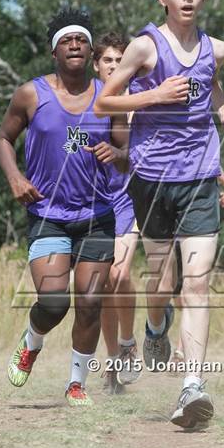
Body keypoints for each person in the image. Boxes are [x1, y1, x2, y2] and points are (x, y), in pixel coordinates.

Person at [94, 0, 224, 427]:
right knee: (161, 281)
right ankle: (155, 327)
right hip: (152, 179)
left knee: (196, 283)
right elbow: (105, 100)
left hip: (201, 175)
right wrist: (154, 96)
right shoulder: (144, 48)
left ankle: (192, 386)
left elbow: (212, 85)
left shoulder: (215, 48)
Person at [0, 8, 127, 406]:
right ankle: (32, 341)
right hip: (48, 216)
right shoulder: (31, 93)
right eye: (66, 40)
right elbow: (3, 139)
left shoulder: (110, 97)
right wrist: (15, 178)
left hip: (96, 217)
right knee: (54, 302)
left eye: (81, 40)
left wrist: (115, 152)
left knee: (89, 304)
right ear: (54, 52)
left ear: (90, 52)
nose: (74, 44)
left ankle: (75, 384)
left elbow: (127, 153)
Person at [91, 32, 141, 394]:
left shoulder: (139, 102)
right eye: (107, 60)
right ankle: (111, 366)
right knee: (104, 283)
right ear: (97, 65)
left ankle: (128, 341)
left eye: (118, 60)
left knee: (120, 276)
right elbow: (69, 141)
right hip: (91, 204)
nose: (112, 65)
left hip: (128, 201)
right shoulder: (84, 102)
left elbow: (147, 152)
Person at [170, 171, 224, 365]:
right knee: (173, 294)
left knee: (189, 292)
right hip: (169, 237)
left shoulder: (205, 158)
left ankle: (180, 352)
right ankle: (165, 325)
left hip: (197, 235)